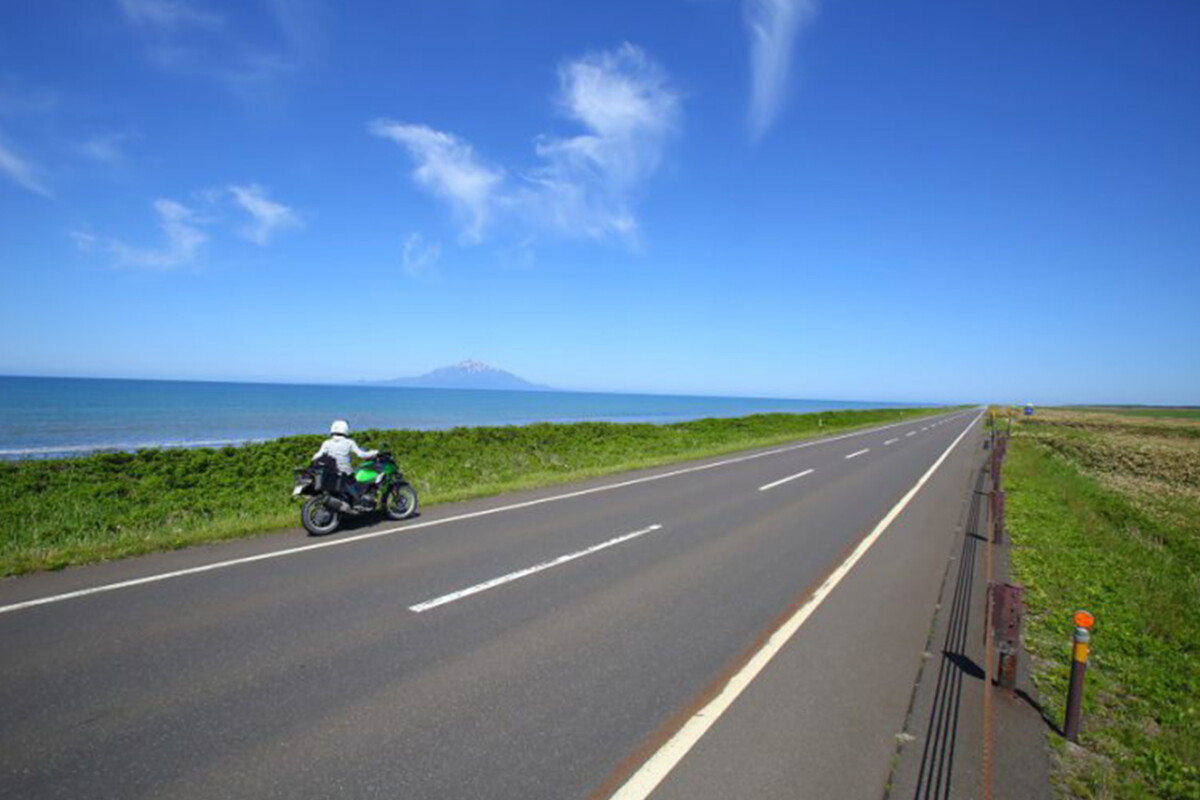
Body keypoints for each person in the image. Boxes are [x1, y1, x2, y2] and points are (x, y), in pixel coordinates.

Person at [312, 420, 378, 507]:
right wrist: (373, 452)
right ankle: (358, 502)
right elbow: (361, 454)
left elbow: (317, 455)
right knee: (359, 483)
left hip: (332, 473)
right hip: (345, 473)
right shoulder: (349, 442)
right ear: (345, 429)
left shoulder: (326, 443)